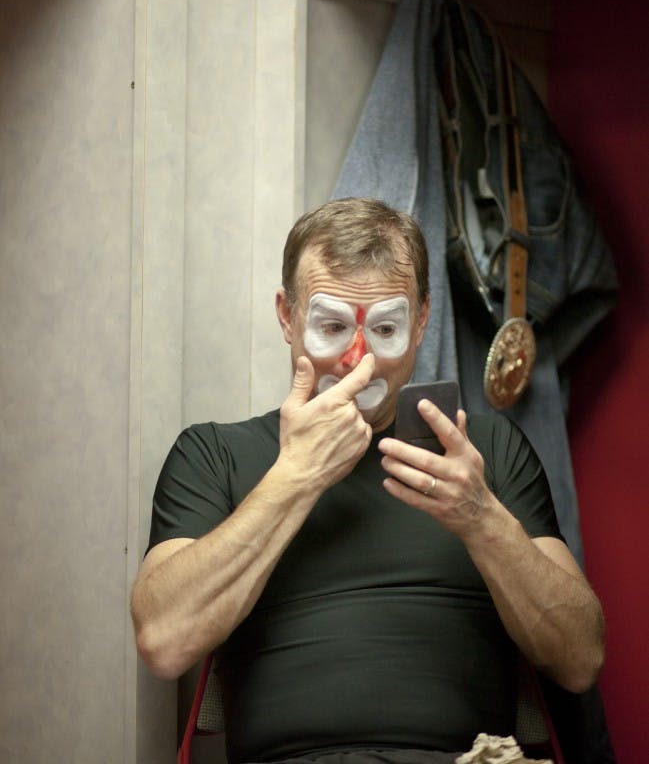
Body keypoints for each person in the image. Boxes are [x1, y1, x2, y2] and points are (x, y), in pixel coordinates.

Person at [131, 197, 605, 764]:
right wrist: (295, 478)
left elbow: (580, 660)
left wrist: (480, 517)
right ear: (288, 317)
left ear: (422, 320)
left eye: (385, 328)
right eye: (331, 326)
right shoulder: (215, 453)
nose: (359, 360)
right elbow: (163, 642)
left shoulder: (486, 452)